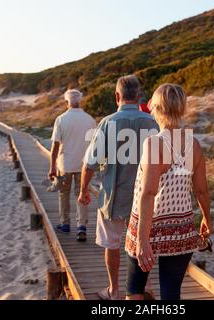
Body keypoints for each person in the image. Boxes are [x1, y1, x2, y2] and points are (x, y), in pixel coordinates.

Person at [125, 83, 213, 300]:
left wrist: (143, 240)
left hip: (147, 225)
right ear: (182, 109)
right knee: (171, 294)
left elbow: (148, 193)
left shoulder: (154, 143)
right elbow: (201, 191)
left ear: (156, 108)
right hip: (180, 228)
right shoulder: (194, 145)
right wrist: (207, 220)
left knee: (135, 289)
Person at [78, 75, 159, 300]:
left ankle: (114, 290)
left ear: (117, 96)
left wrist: (84, 190)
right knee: (142, 242)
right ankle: (146, 288)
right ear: (139, 96)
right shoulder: (152, 122)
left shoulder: (107, 122)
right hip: (146, 197)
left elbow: (90, 163)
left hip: (113, 197)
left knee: (111, 244)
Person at [49, 89, 96, 241]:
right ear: (80, 101)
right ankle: (81, 226)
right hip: (84, 165)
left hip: (65, 164)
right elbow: (95, 145)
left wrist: (52, 167)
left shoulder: (61, 119)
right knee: (81, 194)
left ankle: (65, 223)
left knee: (63, 194)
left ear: (66, 102)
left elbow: (55, 146)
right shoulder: (90, 119)